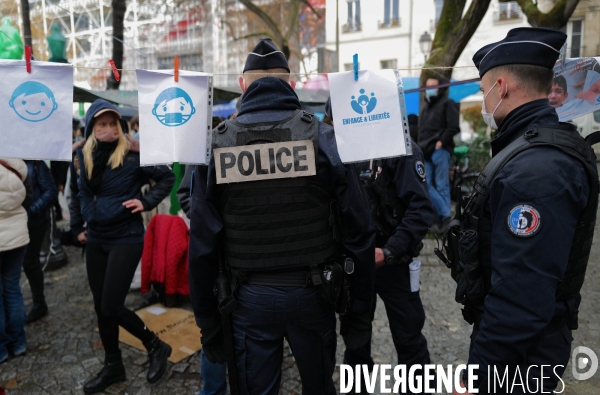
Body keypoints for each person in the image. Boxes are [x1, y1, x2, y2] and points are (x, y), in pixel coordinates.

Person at [188, 38, 375, 394]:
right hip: (314, 294)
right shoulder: (324, 138)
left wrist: (208, 323)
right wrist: (359, 314)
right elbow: (360, 231)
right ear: (290, 83)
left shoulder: (214, 145)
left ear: (244, 86)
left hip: (247, 300)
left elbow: (200, 245)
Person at [441, 27, 599, 394]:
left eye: (483, 93)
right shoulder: (529, 149)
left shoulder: (536, 169)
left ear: (502, 86)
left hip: (524, 357)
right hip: (525, 349)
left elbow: (521, 296)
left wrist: (477, 379)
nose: (483, 103)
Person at [324, 99, 436, 393]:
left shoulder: (400, 147)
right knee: (356, 342)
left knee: (409, 338)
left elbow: (421, 210)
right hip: (354, 264)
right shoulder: (336, 149)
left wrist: (389, 251)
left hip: (395, 262)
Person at [69, 99, 175, 394]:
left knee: (111, 305)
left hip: (126, 236)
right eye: (101, 124)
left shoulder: (133, 153)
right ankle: (113, 365)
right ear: (91, 127)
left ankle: (156, 345)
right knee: (101, 309)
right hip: (96, 238)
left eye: (113, 123)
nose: (108, 129)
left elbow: (167, 177)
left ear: (120, 125)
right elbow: (78, 195)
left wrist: (145, 201)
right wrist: (77, 228)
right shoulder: (81, 157)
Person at [177, 165, 227, 395]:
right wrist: (207, 220)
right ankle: (213, 390)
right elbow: (185, 194)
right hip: (217, 257)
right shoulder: (203, 144)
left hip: (254, 263)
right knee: (214, 331)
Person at [418, 77, 460, 233]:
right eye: (427, 86)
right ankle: (446, 215)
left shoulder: (447, 103)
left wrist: (440, 142)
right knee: (426, 185)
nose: (429, 88)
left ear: (440, 87)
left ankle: (444, 222)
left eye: (433, 86)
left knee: (442, 186)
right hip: (426, 151)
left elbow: (453, 127)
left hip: (440, 151)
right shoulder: (426, 107)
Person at [0, 157, 29, 363]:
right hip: (17, 236)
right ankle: (18, 342)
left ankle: (1, 348)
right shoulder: (13, 162)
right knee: (12, 289)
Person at [23, 160, 57, 323]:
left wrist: (30, 211)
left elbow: (50, 192)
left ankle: (39, 303)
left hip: (34, 222)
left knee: (30, 262)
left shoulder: (36, 164)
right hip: (15, 224)